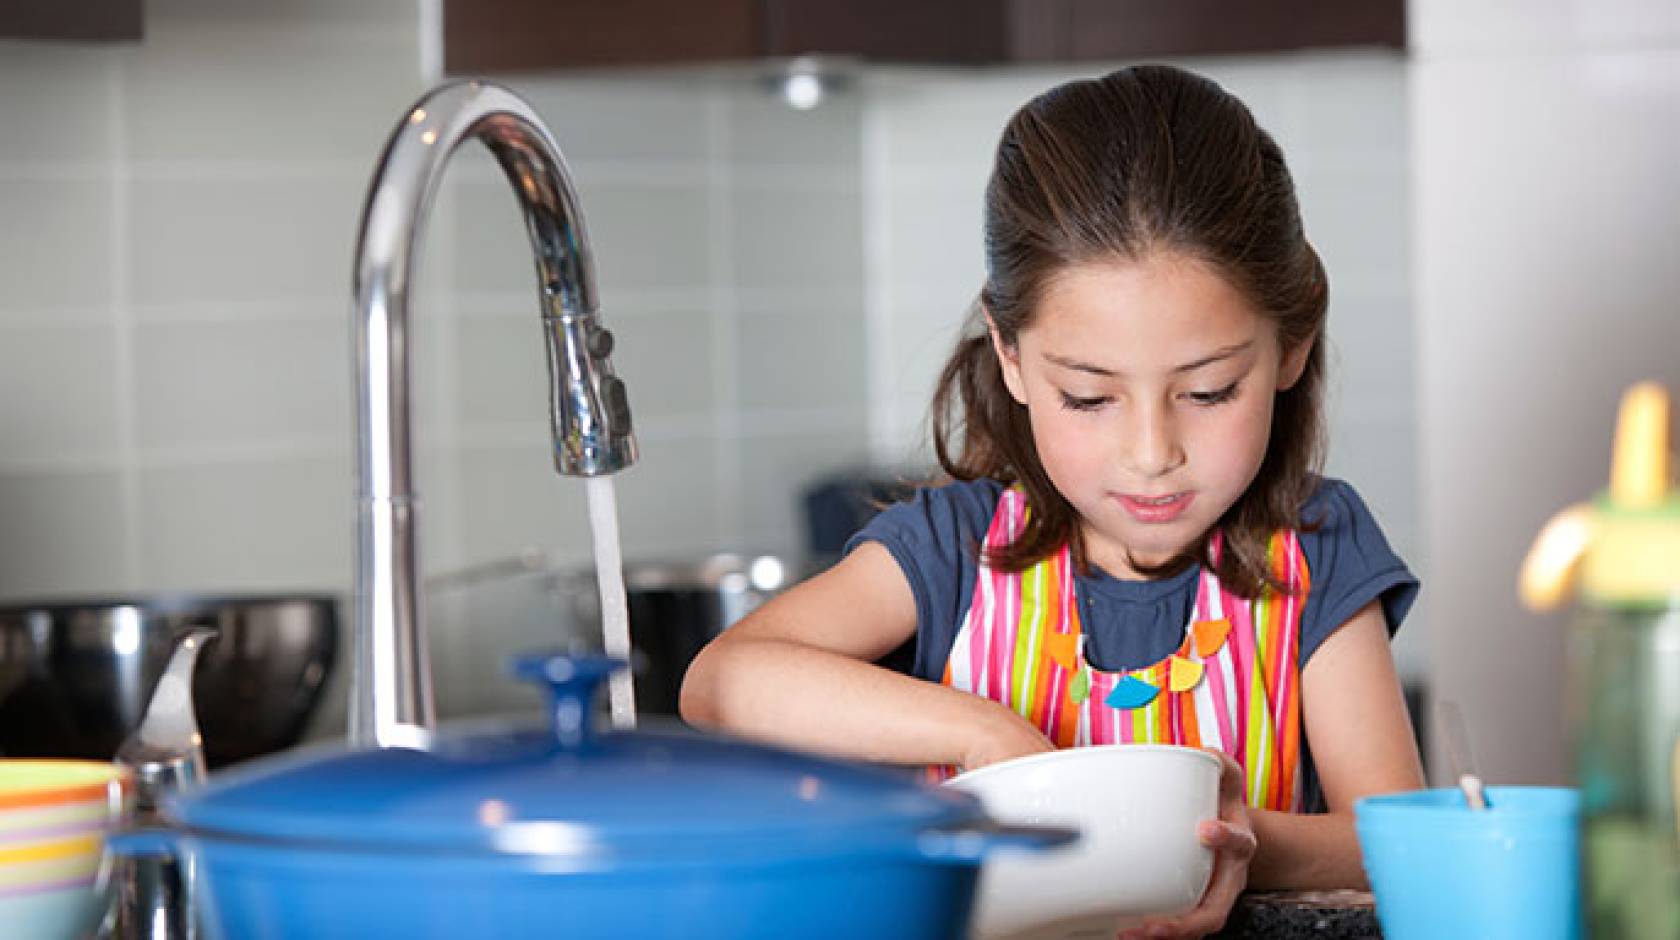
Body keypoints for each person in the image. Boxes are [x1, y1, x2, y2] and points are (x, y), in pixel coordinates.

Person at [681, 64, 1424, 939]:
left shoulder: (1316, 547)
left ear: (1293, 341)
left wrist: (1237, 841)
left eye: (1212, 390)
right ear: (1010, 355)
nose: (1153, 455)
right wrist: (988, 735)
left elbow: (1396, 838)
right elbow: (721, 684)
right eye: (1089, 397)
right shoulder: (951, 549)